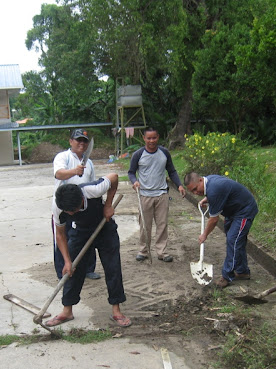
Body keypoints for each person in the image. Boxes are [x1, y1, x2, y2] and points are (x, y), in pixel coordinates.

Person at [45, 172, 131, 328]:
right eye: (68, 212)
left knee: (112, 268)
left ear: (82, 200)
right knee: (72, 270)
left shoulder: (93, 190)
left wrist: (108, 205)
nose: (71, 213)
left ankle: (116, 310)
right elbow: (60, 234)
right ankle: (67, 310)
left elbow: (114, 177)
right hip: (80, 231)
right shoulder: (59, 206)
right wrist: (67, 261)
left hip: (104, 228)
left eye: (74, 210)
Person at [184, 172, 259, 288]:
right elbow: (219, 193)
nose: (195, 193)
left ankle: (227, 276)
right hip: (233, 211)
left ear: (200, 180)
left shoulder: (214, 189)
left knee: (233, 240)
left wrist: (204, 235)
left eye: (195, 189)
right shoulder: (209, 182)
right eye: (192, 191)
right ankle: (242, 271)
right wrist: (207, 198)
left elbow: (214, 220)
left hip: (244, 211)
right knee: (236, 241)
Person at [128, 127, 186, 262]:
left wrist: (179, 185)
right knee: (145, 225)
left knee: (162, 224)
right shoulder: (138, 154)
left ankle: (162, 251)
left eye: (154, 138)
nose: (151, 141)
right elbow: (131, 172)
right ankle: (143, 251)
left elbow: (172, 171)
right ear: (144, 138)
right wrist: (135, 181)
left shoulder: (164, 153)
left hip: (161, 194)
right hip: (144, 195)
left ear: (158, 137)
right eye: (148, 138)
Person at [52, 128, 101, 280]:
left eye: (85, 141)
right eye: (78, 140)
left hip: (83, 207)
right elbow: (58, 173)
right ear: (71, 141)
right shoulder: (63, 157)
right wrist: (74, 171)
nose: (82, 143)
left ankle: (88, 269)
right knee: (63, 237)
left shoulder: (89, 162)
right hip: (64, 205)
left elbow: (92, 183)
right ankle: (63, 270)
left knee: (87, 236)